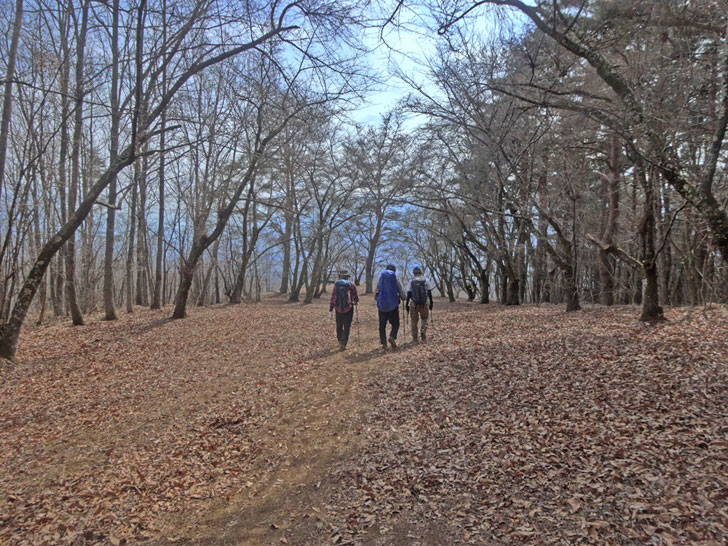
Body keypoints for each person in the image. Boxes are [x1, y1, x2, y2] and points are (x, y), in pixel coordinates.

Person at [375, 264, 405, 350]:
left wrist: (379, 301)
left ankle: (384, 344)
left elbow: (376, 294)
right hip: (393, 307)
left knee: (382, 326)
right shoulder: (395, 280)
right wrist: (403, 298)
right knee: (396, 324)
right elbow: (402, 293)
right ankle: (392, 336)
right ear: (394, 271)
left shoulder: (381, 281)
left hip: (382, 307)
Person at [329, 270, 359, 351]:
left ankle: (340, 341)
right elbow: (355, 296)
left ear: (340, 276)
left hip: (338, 308)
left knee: (339, 325)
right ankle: (344, 343)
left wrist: (331, 309)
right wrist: (355, 301)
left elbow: (333, 297)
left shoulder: (336, 285)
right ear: (347, 277)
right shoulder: (351, 284)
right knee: (347, 326)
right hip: (348, 308)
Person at [406, 266, 434, 342]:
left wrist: (407, 305)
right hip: (424, 303)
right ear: (421, 272)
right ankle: (423, 331)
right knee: (424, 318)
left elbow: (408, 294)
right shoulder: (426, 280)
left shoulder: (411, 281)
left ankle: (415, 338)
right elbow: (429, 292)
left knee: (414, 320)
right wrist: (431, 303)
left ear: (414, 273)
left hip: (414, 304)